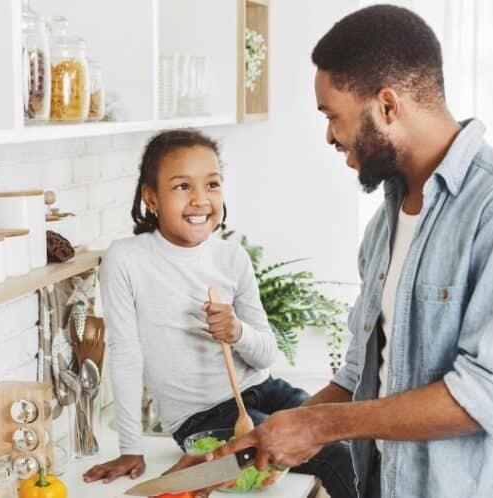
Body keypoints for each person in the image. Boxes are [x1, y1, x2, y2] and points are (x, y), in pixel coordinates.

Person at [170, 5, 493, 497]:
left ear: (387, 106)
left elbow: (484, 398)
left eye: (332, 117)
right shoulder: (385, 223)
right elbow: (360, 375)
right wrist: (257, 444)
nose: (329, 136)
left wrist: (319, 427)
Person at [82, 129, 354, 497]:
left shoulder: (231, 258)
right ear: (151, 197)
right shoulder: (127, 259)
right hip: (202, 418)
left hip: (264, 390)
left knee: (350, 443)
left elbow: (266, 354)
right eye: (182, 187)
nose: (200, 200)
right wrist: (131, 447)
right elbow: (126, 355)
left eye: (212, 184)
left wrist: (237, 332)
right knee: (335, 458)